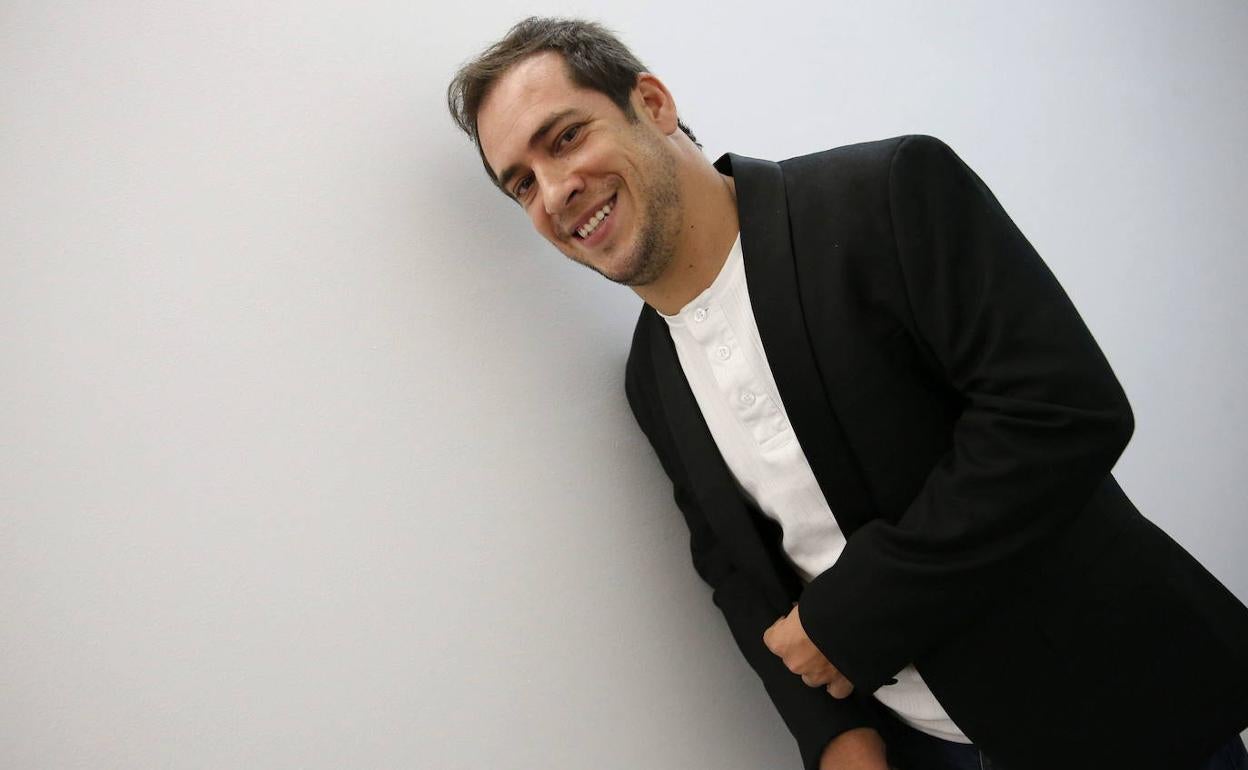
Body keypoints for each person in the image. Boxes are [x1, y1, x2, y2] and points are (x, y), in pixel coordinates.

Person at [446, 17, 1248, 770]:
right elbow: (736, 570)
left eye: (566, 137)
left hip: (1118, 713)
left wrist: (852, 614)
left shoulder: (887, 192)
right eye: (522, 184)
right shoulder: (647, 374)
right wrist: (835, 738)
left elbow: (1060, 410)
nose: (554, 191)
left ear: (652, 105)